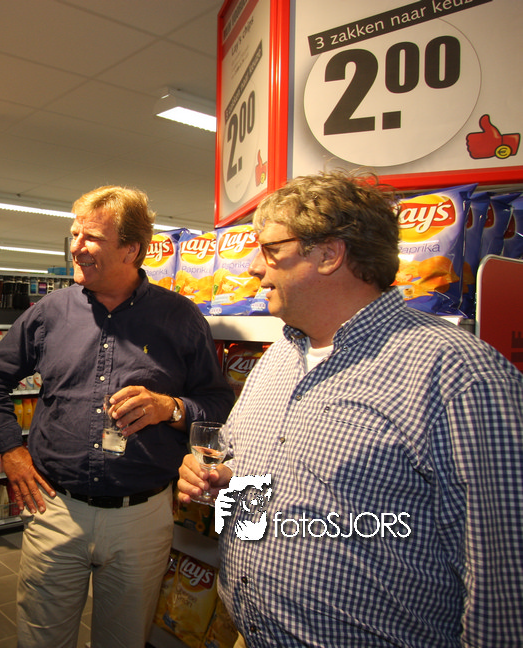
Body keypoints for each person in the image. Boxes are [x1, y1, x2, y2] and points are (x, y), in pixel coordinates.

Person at [177, 170, 523, 647]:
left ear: (329, 254)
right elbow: (255, 472)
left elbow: (504, 581)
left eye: (271, 249)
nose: (254, 267)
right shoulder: (279, 356)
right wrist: (225, 483)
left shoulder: (460, 375)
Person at [0, 185, 235, 648]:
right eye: (74, 233)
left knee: (123, 639)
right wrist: (11, 452)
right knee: (40, 639)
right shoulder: (50, 312)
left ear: (131, 249)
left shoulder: (179, 318)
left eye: (91, 237)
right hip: (55, 509)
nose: (76, 246)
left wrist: (170, 408)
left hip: (142, 516)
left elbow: (216, 404)